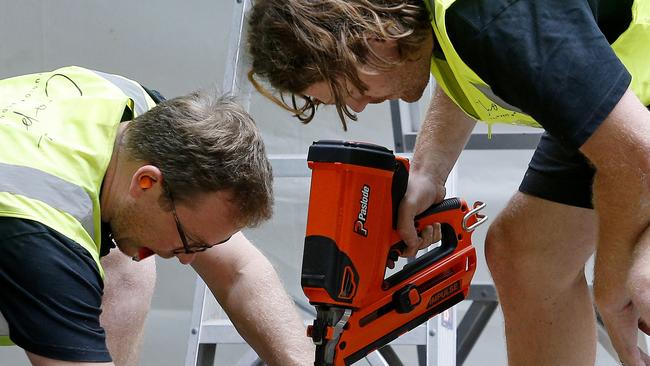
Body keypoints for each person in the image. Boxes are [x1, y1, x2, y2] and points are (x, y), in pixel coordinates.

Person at [246, 1, 650, 365]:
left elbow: (637, 158)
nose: (356, 105)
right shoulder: (445, 23)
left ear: (373, 39)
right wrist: (427, 172)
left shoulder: (494, 15)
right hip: (627, 105)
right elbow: (478, 63)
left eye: (353, 89)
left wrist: (611, 288)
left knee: (643, 283)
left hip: (636, 133)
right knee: (527, 258)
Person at [0, 66, 313, 366]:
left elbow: (239, 270)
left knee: (130, 257)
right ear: (146, 182)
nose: (187, 259)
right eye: (188, 241)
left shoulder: (143, 116)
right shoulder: (41, 229)